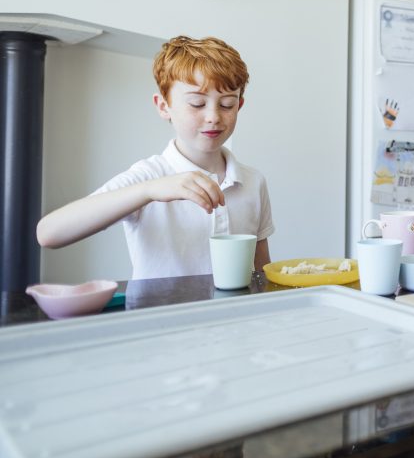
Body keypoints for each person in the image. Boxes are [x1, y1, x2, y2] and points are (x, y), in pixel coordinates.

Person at [37, 35, 274, 280]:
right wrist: (149, 191)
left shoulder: (253, 182)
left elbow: (261, 270)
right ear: (163, 106)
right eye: (196, 103)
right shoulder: (149, 177)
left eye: (226, 105)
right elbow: (48, 233)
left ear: (239, 105)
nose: (213, 116)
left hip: (235, 318)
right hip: (161, 317)